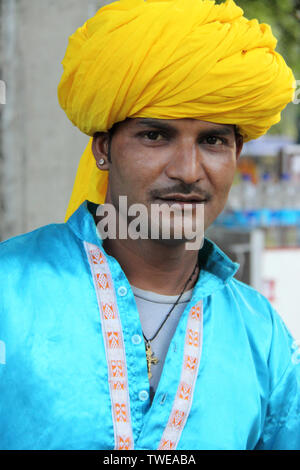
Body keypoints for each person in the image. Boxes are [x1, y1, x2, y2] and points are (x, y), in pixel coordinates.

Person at [0, 0, 299, 451]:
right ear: (104, 148)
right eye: (155, 135)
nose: (187, 170)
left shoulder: (262, 336)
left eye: (213, 140)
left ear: (236, 155)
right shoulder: (9, 291)